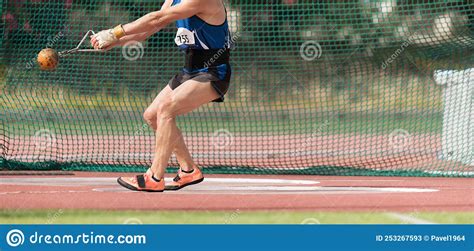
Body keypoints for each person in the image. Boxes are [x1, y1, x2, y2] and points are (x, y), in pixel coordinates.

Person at [90, 0, 232, 192]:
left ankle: (154, 177)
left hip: (214, 71)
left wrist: (114, 32)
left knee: (166, 109)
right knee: (151, 115)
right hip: (189, 70)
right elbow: (152, 27)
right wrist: (115, 41)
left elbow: (157, 17)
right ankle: (188, 170)